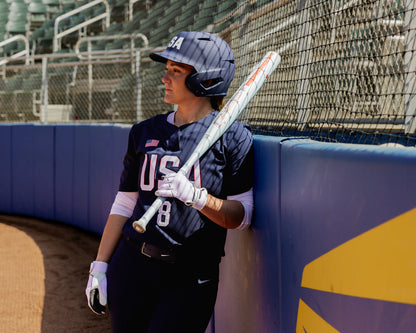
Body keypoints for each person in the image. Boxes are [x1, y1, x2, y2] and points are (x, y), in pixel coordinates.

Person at [86, 31, 254, 333]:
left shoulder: (233, 137)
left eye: (176, 71)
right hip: (133, 267)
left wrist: (197, 197)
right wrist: (99, 265)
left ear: (205, 79)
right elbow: (125, 202)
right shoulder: (143, 132)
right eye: (167, 69)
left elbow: (243, 216)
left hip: (190, 276)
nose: (165, 78)